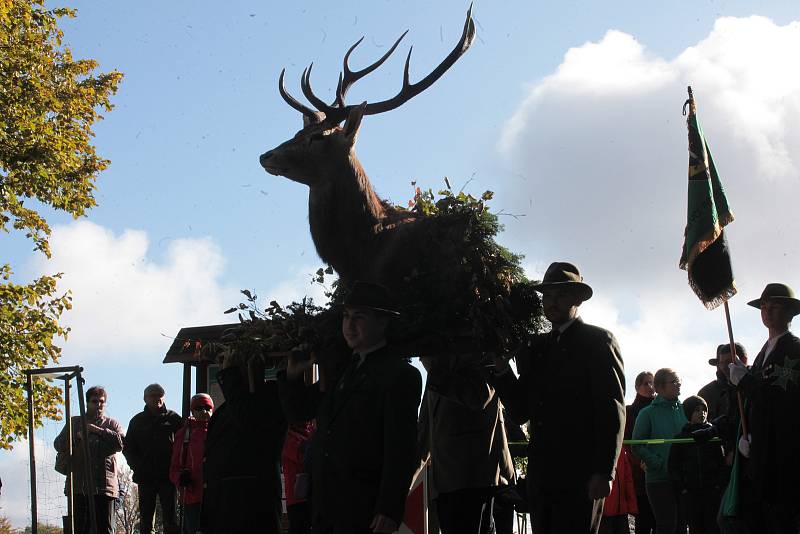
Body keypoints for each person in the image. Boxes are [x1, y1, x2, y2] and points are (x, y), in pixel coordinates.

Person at [278, 280, 423, 534]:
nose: (349, 325)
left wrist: (389, 507)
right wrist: (291, 377)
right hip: (326, 508)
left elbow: (401, 449)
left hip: (363, 509)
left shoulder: (400, 375)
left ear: (383, 322)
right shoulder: (341, 372)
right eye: (346, 317)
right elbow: (298, 413)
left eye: (360, 317)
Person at [492, 262, 626, 534]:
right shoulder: (537, 347)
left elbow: (611, 409)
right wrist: (502, 370)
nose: (551, 303)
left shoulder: (598, 341)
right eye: (547, 296)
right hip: (542, 477)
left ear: (577, 299)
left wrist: (604, 471)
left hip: (582, 474)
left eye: (560, 295)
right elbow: (520, 410)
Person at [728, 283, 800, 533]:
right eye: (764, 306)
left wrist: (746, 380)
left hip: (783, 456)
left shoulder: (794, 350)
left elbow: (784, 403)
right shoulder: (763, 352)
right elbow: (754, 404)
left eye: (775, 306)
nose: (767, 311)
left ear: (790, 312)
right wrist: (744, 438)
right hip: (759, 455)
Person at [417, 353, 515, 534]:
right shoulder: (436, 373)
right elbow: (425, 429)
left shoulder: (477, 353)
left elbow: (480, 397)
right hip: (444, 485)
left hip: (474, 482)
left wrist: (435, 371)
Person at [200, 348, 287, 534]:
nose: (224, 367)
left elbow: (248, 422)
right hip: (222, 504)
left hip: (251, 506)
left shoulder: (269, 398)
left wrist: (231, 378)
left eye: (230, 364)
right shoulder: (226, 409)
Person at [54, 385, 124, 534]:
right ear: (87, 402)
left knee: (105, 529)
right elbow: (58, 444)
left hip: (105, 487)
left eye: (102, 401)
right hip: (79, 485)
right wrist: (76, 437)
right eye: (94, 401)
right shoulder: (74, 422)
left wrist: (97, 431)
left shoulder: (112, 424)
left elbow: (121, 444)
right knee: (80, 529)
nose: (98, 405)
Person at [631, 368, 687, 534]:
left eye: (679, 381)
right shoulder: (647, 413)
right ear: (661, 387)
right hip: (659, 479)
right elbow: (636, 445)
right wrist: (658, 463)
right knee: (666, 525)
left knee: (682, 527)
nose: (679, 384)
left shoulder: (685, 410)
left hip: (683, 478)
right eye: (674, 382)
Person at [123, 383, 183, 534]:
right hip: (145, 478)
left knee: (171, 520)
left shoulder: (174, 418)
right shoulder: (137, 421)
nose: (157, 398)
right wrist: (138, 466)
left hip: (168, 477)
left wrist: (177, 467)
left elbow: (184, 444)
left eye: (160, 395)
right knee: (146, 521)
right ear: (145, 398)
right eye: (153, 395)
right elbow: (128, 448)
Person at [667, 395, 724, 534]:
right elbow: (673, 466)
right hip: (691, 493)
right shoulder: (681, 438)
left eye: (704, 410)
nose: (702, 413)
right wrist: (682, 488)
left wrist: (718, 485)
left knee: (713, 527)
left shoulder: (713, 436)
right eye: (697, 410)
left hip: (711, 491)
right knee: (695, 527)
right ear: (689, 413)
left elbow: (721, 462)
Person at [169, 393, 213, 534]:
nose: (204, 411)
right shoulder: (184, 434)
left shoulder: (219, 430)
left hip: (216, 496)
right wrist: (180, 478)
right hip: (193, 497)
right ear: (192, 411)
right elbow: (174, 468)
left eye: (207, 407)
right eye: (199, 408)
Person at [697, 343, 746, 466]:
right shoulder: (706, 392)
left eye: (729, 362)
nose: (724, 367)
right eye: (721, 362)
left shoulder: (748, 386)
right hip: (715, 456)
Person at [627, 371, 656, 534]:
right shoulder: (630, 412)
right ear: (637, 387)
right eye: (646, 383)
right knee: (643, 519)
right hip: (639, 471)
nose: (650, 387)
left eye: (652, 383)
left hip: (658, 468)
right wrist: (639, 462)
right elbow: (627, 443)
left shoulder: (660, 409)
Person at [282, 421, 315, 534]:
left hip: (310, 494)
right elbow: (302, 456)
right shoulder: (287, 436)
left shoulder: (310, 431)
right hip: (297, 497)